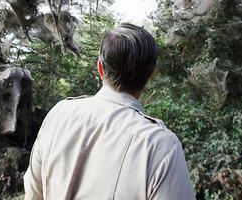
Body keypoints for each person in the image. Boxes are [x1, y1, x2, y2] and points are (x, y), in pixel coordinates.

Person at [24, 23, 196, 199]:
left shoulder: (58, 114)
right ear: (150, 75)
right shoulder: (160, 146)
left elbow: (33, 192)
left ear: (100, 68)